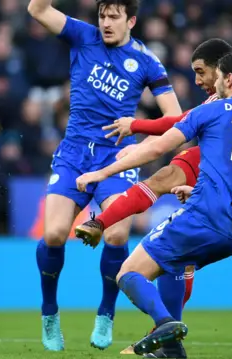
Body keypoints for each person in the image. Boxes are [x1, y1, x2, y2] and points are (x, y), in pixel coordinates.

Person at [74, 39, 232, 356]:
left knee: (128, 273)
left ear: (228, 79)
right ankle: (171, 350)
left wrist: (102, 173)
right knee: (174, 261)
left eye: (213, 77)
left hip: (206, 218)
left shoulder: (213, 109)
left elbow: (158, 147)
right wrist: (199, 191)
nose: (209, 84)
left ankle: (165, 324)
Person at [27, 0, 182, 351]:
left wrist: (140, 136)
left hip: (116, 160)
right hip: (73, 156)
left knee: (115, 234)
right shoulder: (83, 37)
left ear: (132, 20)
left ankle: (106, 313)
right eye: (102, 15)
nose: (106, 23)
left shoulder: (147, 61)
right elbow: (37, 10)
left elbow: (176, 119)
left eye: (114, 17)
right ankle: (49, 312)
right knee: (53, 234)